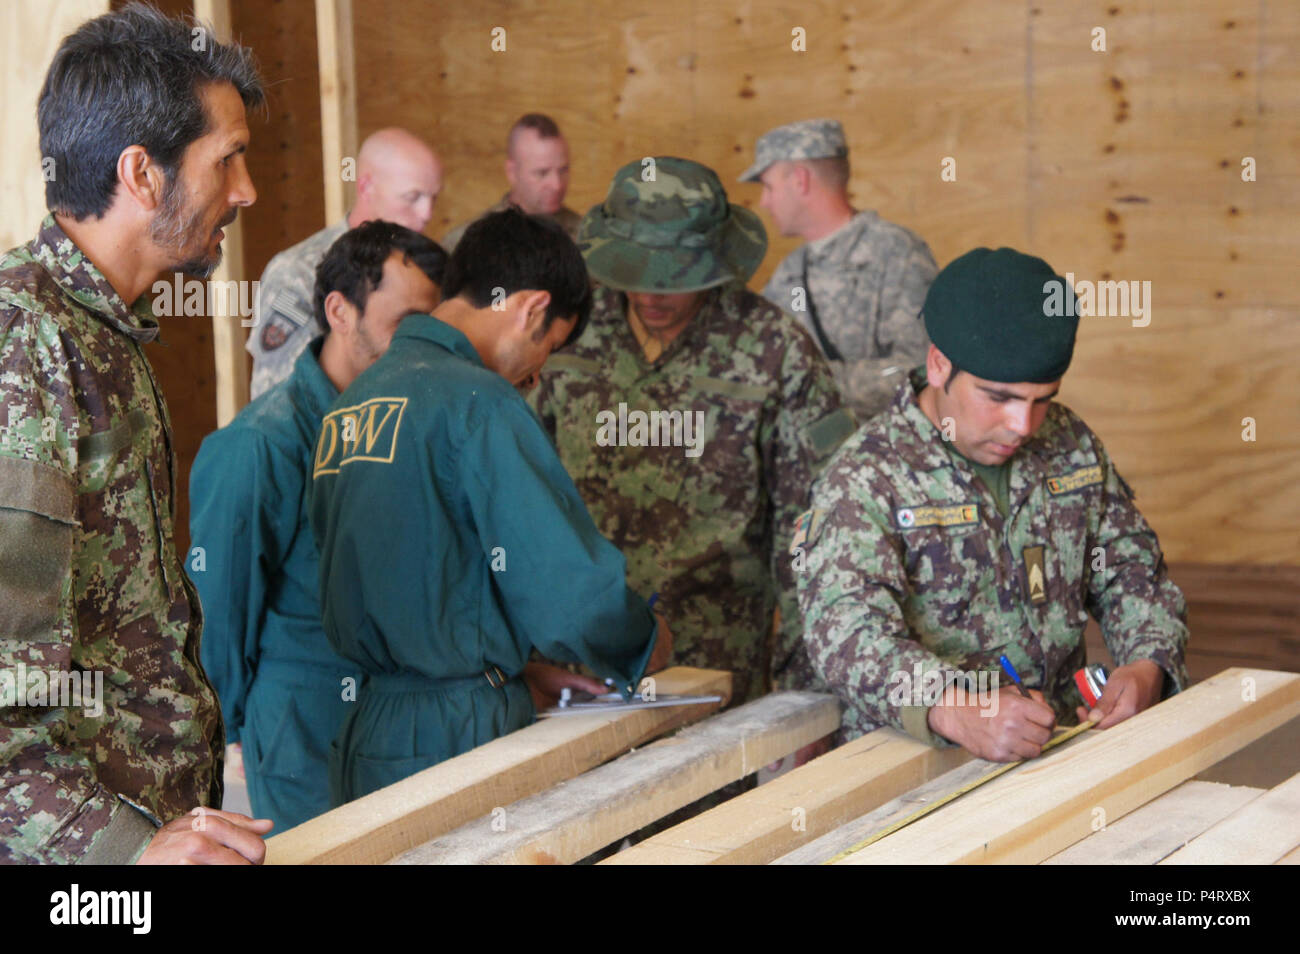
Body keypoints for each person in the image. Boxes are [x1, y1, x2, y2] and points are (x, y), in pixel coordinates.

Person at [0, 4, 271, 864]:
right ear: (142, 174)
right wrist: (123, 855)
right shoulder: (26, 346)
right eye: (226, 160)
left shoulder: (101, 333)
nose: (246, 192)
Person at [309, 208, 670, 805]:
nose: (535, 376)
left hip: (369, 728)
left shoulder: (355, 400)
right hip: (460, 736)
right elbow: (572, 597)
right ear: (529, 308)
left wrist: (507, 668)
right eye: (546, 348)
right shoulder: (478, 401)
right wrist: (642, 642)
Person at [795, 247, 1190, 762]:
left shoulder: (1069, 444)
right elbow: (846, 635)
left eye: (1042, 398)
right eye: (998, 398)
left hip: (1061, 746)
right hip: (919, 766)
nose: (1023, 426)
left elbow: (1130, 570)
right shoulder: (866, 477)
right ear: (939, 365)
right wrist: (955, 710)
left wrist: (1146, 664)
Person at [532, 157, 856, 706]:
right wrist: (525, 658)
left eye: (675, 278)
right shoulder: (566, 337)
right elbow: (519, 505)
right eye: (637, 274)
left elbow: (810, 535)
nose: (652, 295)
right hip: (577, 667)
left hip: (718, 667)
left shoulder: (776, 352)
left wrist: (806, 698)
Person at [189, 222, 445, 833]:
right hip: (303, 724)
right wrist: (229, 737)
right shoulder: (260, 446)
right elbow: (219, 614)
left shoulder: (416, 422)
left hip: (405, 716)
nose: (422, 344)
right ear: (340, 311)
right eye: (405, 323)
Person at [742, 118, 936, 421]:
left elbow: (922, 369)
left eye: (768, 187)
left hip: (880, 458)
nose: (764, 202)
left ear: (800, 181)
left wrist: (811, 379)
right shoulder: (791, 270)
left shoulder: (896, 253)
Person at [247, 128, 444, 397]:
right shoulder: (298, 273)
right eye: (412, 198)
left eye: (433, 198)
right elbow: (278, 397)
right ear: (365, 187)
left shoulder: (426, 269)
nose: (427, 214)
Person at [441, 113, 579, 251]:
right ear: (512, 172)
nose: (557, 185)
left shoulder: (590, 241)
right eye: (542, 173)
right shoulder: (466, 244)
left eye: (563, 170)